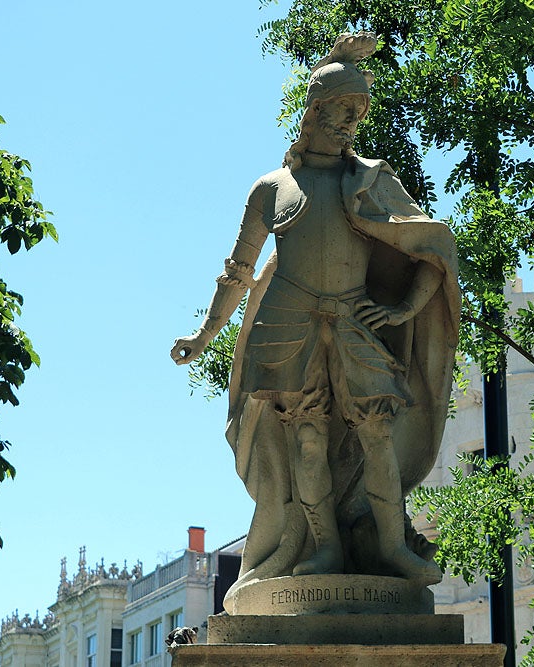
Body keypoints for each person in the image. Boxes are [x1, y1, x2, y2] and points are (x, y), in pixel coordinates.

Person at [171, 33, 459, 592]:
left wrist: (405, 308)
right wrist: (205, 334)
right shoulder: (271, 188)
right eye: (343, 107)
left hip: (355, 320)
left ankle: (393, 546)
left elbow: (434, 249)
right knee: (306, 438)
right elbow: (239, 271)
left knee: (376, 434)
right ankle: (324, 547)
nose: (352, 119)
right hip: (286, 321)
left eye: (359, 110)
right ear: (315, 109)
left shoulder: (372, 180)